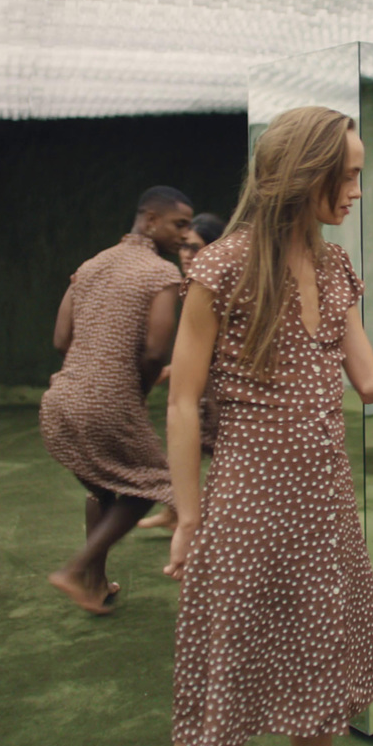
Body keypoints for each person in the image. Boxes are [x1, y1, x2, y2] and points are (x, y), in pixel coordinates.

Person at [162, 106, 373, 746]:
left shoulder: (336, 268)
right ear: (299, 174)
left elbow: (368, 381)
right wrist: (189, 517)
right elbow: (180, 400)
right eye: (346, 175)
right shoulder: (221, 267)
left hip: (324, 513)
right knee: (212, 702)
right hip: (244, 514)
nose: (358, 190)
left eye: (359, 174)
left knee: (319, 694)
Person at [39, 186, 194, 614]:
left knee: (103, 487)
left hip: (60, 400)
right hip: (107, 403)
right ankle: (76, 570)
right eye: (179, 224)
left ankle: (95, 583)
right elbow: (155, 352)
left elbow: (60, 339)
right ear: (149, 220)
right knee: (153, 484)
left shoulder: (89, 267)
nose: (184, 234)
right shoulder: (161, 275)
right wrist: (135, 390)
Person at [141, 211, 231, 532]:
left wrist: (175, 369)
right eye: (183, 246)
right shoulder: (191, 285)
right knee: (182, 448)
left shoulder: (219, 284)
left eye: (194, 247)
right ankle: (176, 512)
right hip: (204, 390)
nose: (185, 253)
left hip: (226, 393)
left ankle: (206, 521)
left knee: (226, 459)